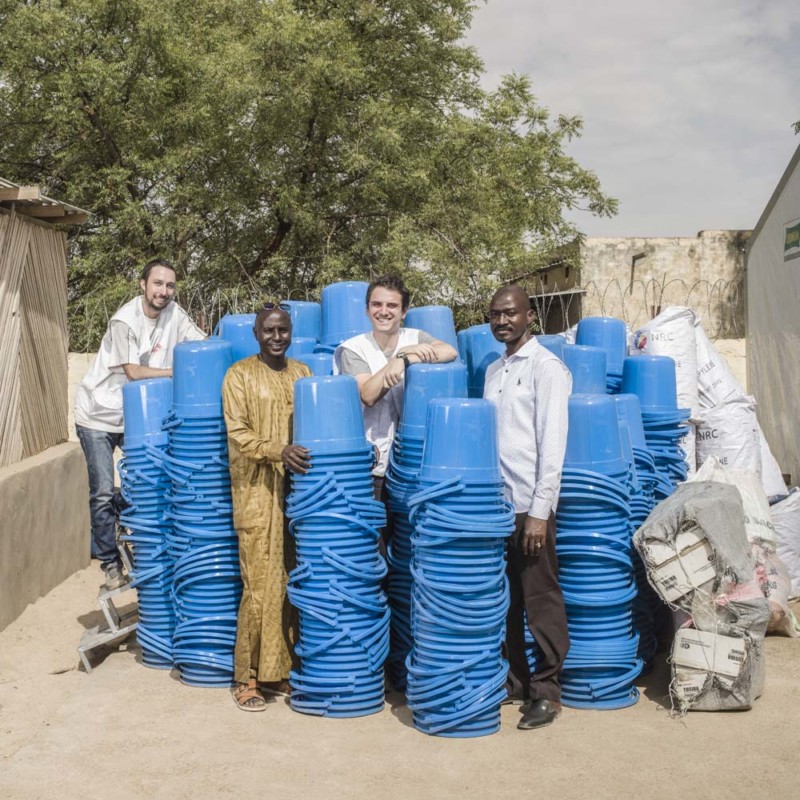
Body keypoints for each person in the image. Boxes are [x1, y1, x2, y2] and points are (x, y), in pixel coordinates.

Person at [75, 259, 205, 590]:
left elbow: (199, 343)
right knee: (103, 491)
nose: (164, 291)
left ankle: (124, 512)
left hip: (138, 417)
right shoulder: (125, 321)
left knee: (154, 482)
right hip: (98, 417)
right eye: (158, 284)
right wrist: (176, 372)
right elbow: (133, 372)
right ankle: (109, 564)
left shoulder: (174, 312)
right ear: (143, 285)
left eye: (170, 285)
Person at [483, 284, 571, 730]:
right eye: (496, 315)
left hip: (529, 506)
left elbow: (552, 445)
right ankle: (516, 681)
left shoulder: (546, 367)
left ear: (530, 316)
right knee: (508, 601)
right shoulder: (494, 370)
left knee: (540, 598)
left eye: (510, 314)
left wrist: (540, 511)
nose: (502, 321)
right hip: (497, 507)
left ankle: (548, 691)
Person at [221, 305, 312, 712]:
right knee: (258, 586)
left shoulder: (303, 374)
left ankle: (283, 671)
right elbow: (239, 434)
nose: (277, 337)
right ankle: (248, 677)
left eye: (284, 330)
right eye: (269, 330)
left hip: (298, 496)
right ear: (256, 333)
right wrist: (279, 450)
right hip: (257, 494)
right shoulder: (239, 375)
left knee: (292, 584)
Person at [336, 274, 458, 498]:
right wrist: (398, 360)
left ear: (403, 313)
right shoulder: (353, 348)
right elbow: (368, 394)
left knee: (406, 529)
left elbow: (449, 351)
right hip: (370, 461)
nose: (383, 311)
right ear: (367, 310)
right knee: (377, 529)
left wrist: (403, 357)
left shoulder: (414, 337)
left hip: (411, 459)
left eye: (392, 305)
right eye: (376, 304)